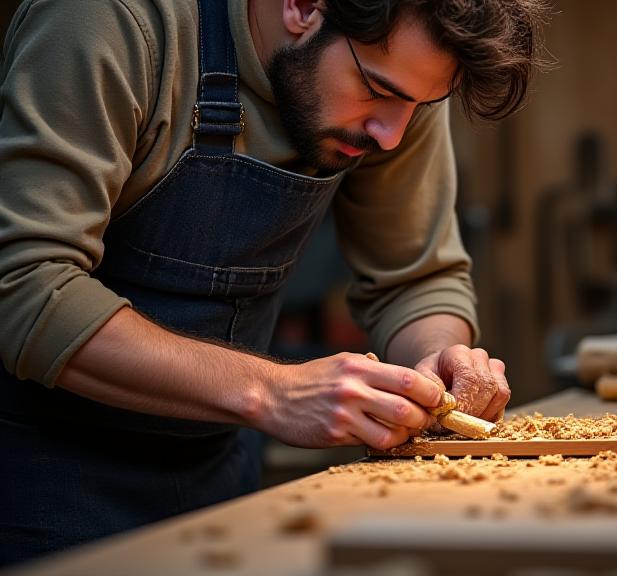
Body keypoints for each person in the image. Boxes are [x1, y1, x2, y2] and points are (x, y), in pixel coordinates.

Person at [0, 0, 546, 565]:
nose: (392, 135)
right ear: (303, 7)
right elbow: (26, 286)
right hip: (45, 473)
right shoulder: (108, 23)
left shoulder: (398, 83)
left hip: (220, 471)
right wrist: (271, 391)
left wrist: (439, 359)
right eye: (379, 90)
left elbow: (414, 278)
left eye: (420, 104)